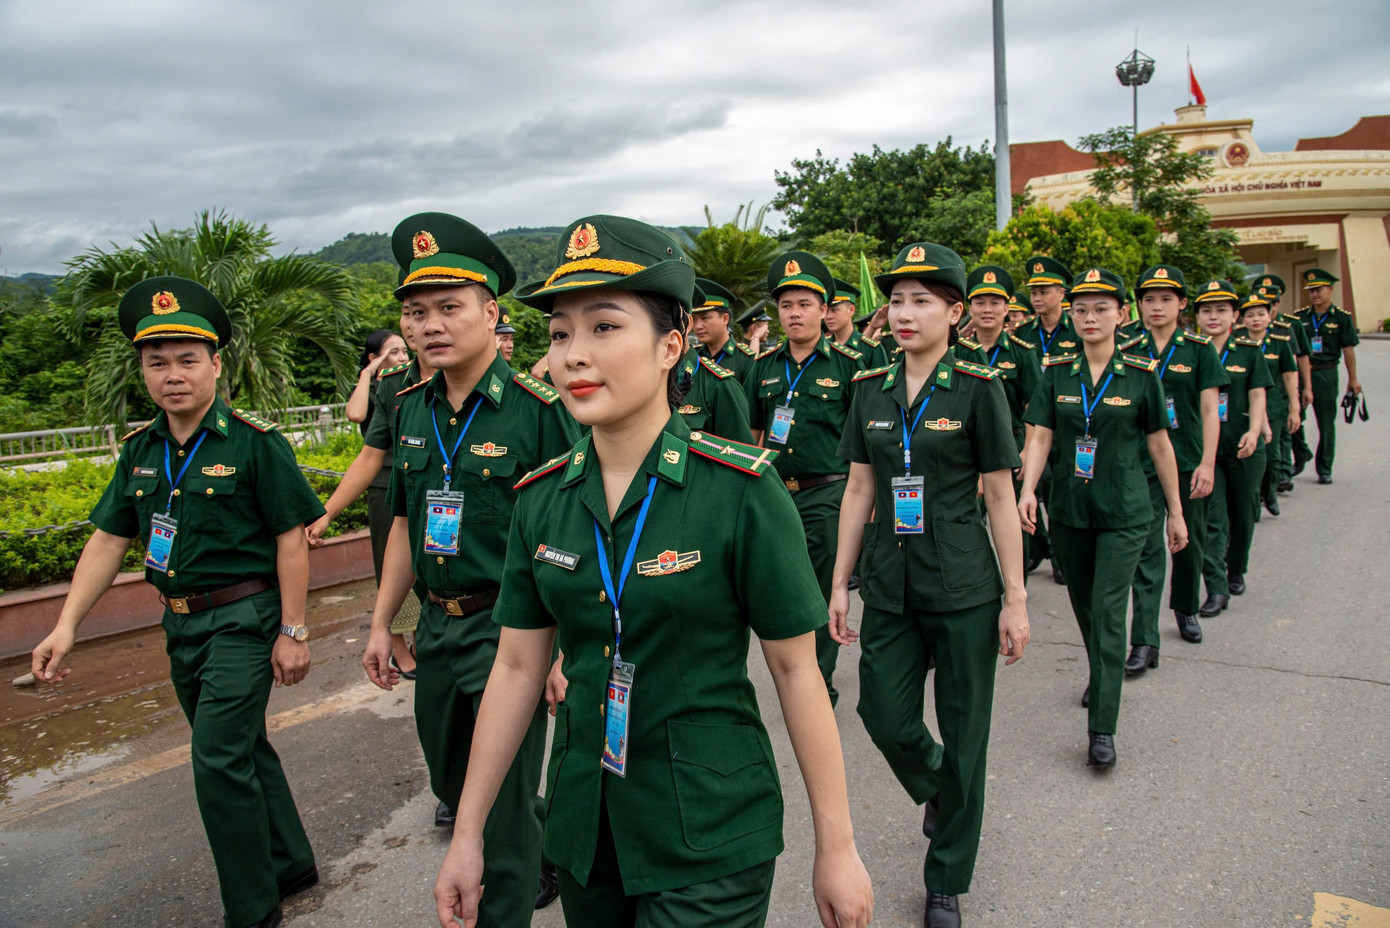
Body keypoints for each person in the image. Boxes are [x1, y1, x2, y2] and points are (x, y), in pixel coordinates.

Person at [430, 214, 873, 928]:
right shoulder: (542, 499)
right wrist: (471, 831)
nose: (575, 355)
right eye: (561, 333)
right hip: (586, 825)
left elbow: (796, 672)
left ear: (671, 346)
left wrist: (838, 846)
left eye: (605, 327)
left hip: (709, 830)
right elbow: (516, 667)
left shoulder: (739, 491)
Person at [31, 277, 324, 928]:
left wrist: (294, 631)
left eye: (188, 359)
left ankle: (252, 908)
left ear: (216, 364)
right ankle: (291, 859)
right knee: (244, 747)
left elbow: (290, 539)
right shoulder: (140, 451)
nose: (173, 375)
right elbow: (110, 540)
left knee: (217, 760)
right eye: (157, 362)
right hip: (181, 625)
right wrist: (66, 625)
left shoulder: (255, 443)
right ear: (142, 369)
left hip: (244, 621)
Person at [363, 212, 580, 923]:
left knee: (503, 822)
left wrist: (556, 645)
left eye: (450, 308)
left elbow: (568, 532)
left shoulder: (539, 411)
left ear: (492, 313)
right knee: (455, 785)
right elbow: (403, 523)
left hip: (509, 628)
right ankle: (545, 837)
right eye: (416, 312)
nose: (430, 325)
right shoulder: (409, 410)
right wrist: (382, 623)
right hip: (439, 629)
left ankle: (511, 888)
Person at [828, 244, 1029, 928]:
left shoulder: (979, 387)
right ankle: (942, 787)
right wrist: (837, 586)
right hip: (890, 581)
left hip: (966, 582)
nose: (906, 313)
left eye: (923, 301)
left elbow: (1000, 498)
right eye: (899, 300)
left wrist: (1017, 599)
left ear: (955, 312)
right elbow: (858, 490)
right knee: (882, 714)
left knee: (968, 732)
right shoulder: (868, 388)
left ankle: (946, 877)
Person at [1019, 267, 1188, 769]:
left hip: (1126, 510)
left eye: (1100, 309)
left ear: (1121, 314)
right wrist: (1028, 490)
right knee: (1087, 609)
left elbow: (1159, 444)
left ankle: (1102, 728)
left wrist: (1175, 513)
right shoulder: (1057, 373)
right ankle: (1102, 670)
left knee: (1111, 610)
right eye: (1081, 309)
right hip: (1070, 509)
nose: (1089, 317)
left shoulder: (1141, 373)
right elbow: (1040, 436)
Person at [744, 251, 867, 706]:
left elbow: (863, 441)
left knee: (820, 587)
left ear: (824, 310)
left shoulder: (848, 365)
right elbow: (755, 436)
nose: (794, 314)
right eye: (786, 306)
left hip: (829, 493)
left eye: (804, 304)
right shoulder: (765, 367)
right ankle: (798, 668)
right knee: (781, 585)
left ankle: (819, 680)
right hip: (778, 493)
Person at [308, 310, 431, 676]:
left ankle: (421, 643)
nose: (418, 323)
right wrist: (326, 512)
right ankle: (401, 643)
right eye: (412, 312)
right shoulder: (392, 385)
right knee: (394, 569)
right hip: (395, 495)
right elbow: (368, 454)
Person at [1116, 265, 1225, 659]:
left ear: (1182, 304)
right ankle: (1144, 638)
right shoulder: (1126, 347)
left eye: (1166, 299)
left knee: (1187, 540)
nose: (1156, 307)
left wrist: (1207, 463)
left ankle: (1184, 608)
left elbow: (1210, 410)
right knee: (1146, 547)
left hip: (1186, 460)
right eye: (1148, 299)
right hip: (1140, 464)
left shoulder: (1199, 348)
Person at [1192, 280, 1273, 614]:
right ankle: (1216, 587)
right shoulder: (1192, 351)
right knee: (1212, 518)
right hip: (1206, 449)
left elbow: (1257, 395)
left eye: (1221, 310)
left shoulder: (1250, 352)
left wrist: (1255, 432)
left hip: (1242, 444)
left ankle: (1236, 567)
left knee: (1243, 513)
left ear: (1234, 316)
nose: (1213, 317)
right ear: (1196, 316)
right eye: (1206, 310)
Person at [1015, 256, 1079, 585]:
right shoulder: (1024, 333)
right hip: (1036, 424)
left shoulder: (1076, 330)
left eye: (1044, 291)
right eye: (1033, 292)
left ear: (1061, 292)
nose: (1037, 297)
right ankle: (1040, 545)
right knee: (1031, 489)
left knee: (1056, 493)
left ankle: (1059, 554)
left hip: (1067, 423)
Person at [1294, 268, 1362, 484]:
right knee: (1293, 418)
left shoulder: (1342, 318)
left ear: (1330, 290)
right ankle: (1301, 454)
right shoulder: (1299, 318)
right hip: (1301, 375)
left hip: (1326, 373)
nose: (1315, 294)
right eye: (1311, 291)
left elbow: (1348, 350)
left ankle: (1324, 467)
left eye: (1319, 290)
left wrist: (1353, 379)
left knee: (1325, 423)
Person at [1241, 291, 1301, 516]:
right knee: (1250, 455)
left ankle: (1269, 492)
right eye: (1250, 315)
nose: (1255, 319)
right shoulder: (1238, 343)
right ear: (1242, 319)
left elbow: (1289, 375)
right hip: (1244, 409)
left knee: (1270, 455)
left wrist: (1294, 408)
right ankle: (1254, 502)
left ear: (1269, 317)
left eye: (1260, 314)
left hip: (1274, 407)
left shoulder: (1279, 343)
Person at [690, 278, 757, 381]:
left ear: (725, 319)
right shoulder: (693, 356)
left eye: (705, 318)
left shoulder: (744, 359)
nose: (698, 326)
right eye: (694, 319)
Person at [828, 278, 889, 367]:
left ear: (851, 310)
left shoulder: (871, 349)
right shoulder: (823, 346)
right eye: (826, 311)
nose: (829, 316)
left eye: (834, 310)